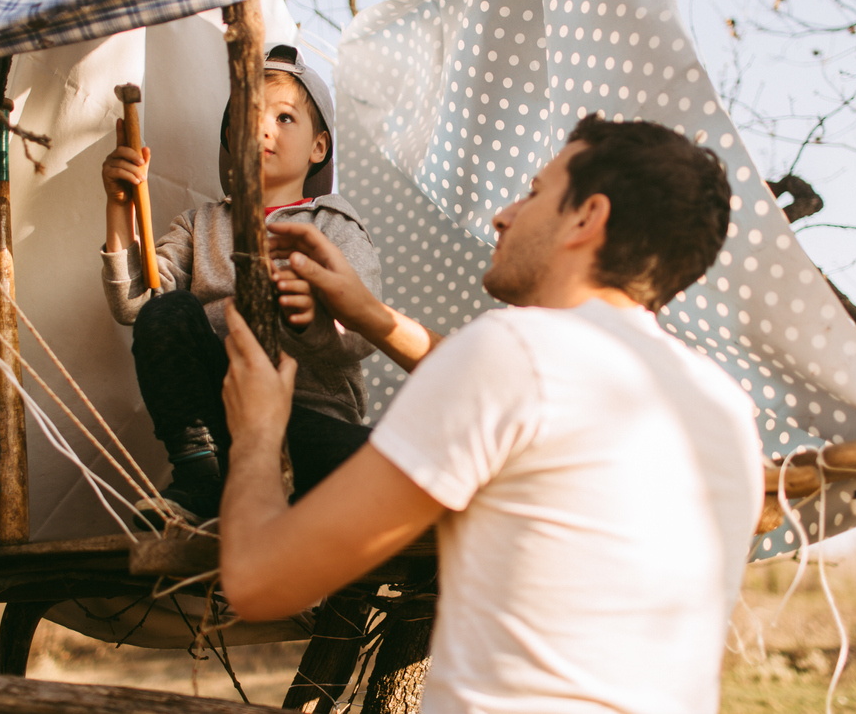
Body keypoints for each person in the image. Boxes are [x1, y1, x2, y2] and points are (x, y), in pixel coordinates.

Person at [219, 116, 764, 713]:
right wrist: (372, 316)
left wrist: (258, 432)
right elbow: (535, 393)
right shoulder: (723, 409)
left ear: (588, 217)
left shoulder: (510, 351)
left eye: (533, 193)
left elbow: (257, 582)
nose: (503, 215)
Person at [99, 44, 380, 528]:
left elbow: (360, 332)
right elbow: (138, 306)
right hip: (221, 421)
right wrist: (120, 209)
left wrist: (312, 321)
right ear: (231, 134)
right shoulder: (200, 223)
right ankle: (199, 477)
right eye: (247, 116)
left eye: (286, 117)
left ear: (319, 147)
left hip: (305, 422)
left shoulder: (334, 225)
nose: (263, 127)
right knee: (169, 311)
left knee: (392, 464)